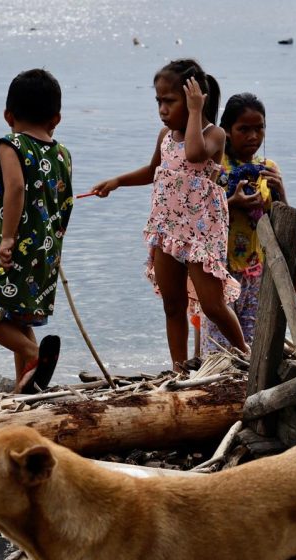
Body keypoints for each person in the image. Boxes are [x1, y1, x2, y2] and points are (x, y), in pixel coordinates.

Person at [89, 59, 248, 370]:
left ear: (194, 98)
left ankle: (245, 350)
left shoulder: (214, 134)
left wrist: (194, 112)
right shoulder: (165, 136)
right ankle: (179, 367)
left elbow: (194, 154)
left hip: (200, 234)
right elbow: (153, 171)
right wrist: (118, 181)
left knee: (213, 305)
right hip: (167, 231)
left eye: (169, 101)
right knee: (172, 305)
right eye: (159, 101)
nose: (162, 108)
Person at [0, 68, 72, 393]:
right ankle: (26, 390)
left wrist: (8, 237)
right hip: (47, 252)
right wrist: (53, 245)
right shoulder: (62, 153)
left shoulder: (11, 145)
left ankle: (30, 353)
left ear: (8, 115)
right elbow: (64, 202)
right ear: (56, 118)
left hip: (14, 248)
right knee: (19, 317)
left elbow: (16, 188)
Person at [202, 93, 286, 354]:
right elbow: (199, 212)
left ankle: (246, 382)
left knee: (252, 334)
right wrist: (231, 202)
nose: (253, 136)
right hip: (219, 265)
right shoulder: (218, 165)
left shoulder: (267, 168)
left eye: (259, 128)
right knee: (219, 336)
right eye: (244, 129)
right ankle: (216, 381)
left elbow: (281, 216)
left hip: (255, 266)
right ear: (227, 131)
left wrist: (280, 190)